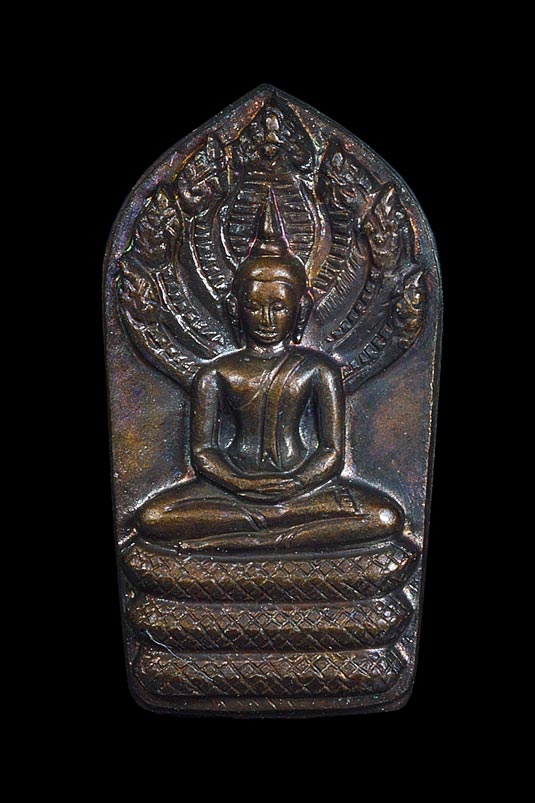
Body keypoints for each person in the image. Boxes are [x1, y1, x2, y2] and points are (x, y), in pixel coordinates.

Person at [137, 193, 403, 552]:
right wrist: (239, 484)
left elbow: (331, 451)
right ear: (235, 309)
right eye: (254, 306)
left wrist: (295, 484)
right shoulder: (217, 373)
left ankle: (246, 539)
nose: (265, 318)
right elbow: (203, 451)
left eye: (278, 307)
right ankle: (279, 534)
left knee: (385, 517)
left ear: (301, 309)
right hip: (230, 492)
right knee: (153, 517)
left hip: (303, 491)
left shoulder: (318, 370)